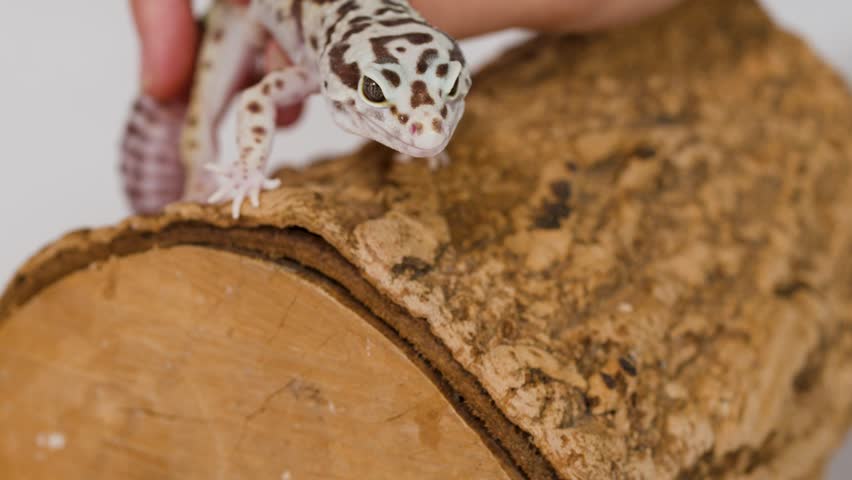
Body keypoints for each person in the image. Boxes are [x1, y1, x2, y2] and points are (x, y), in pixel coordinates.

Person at [131, 0, 681, 116]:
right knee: (197, 122)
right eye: (375, 92)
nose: (428, 130)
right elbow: (257, 103)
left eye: (451, 89)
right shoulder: (310, 70)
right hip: (240, 16)